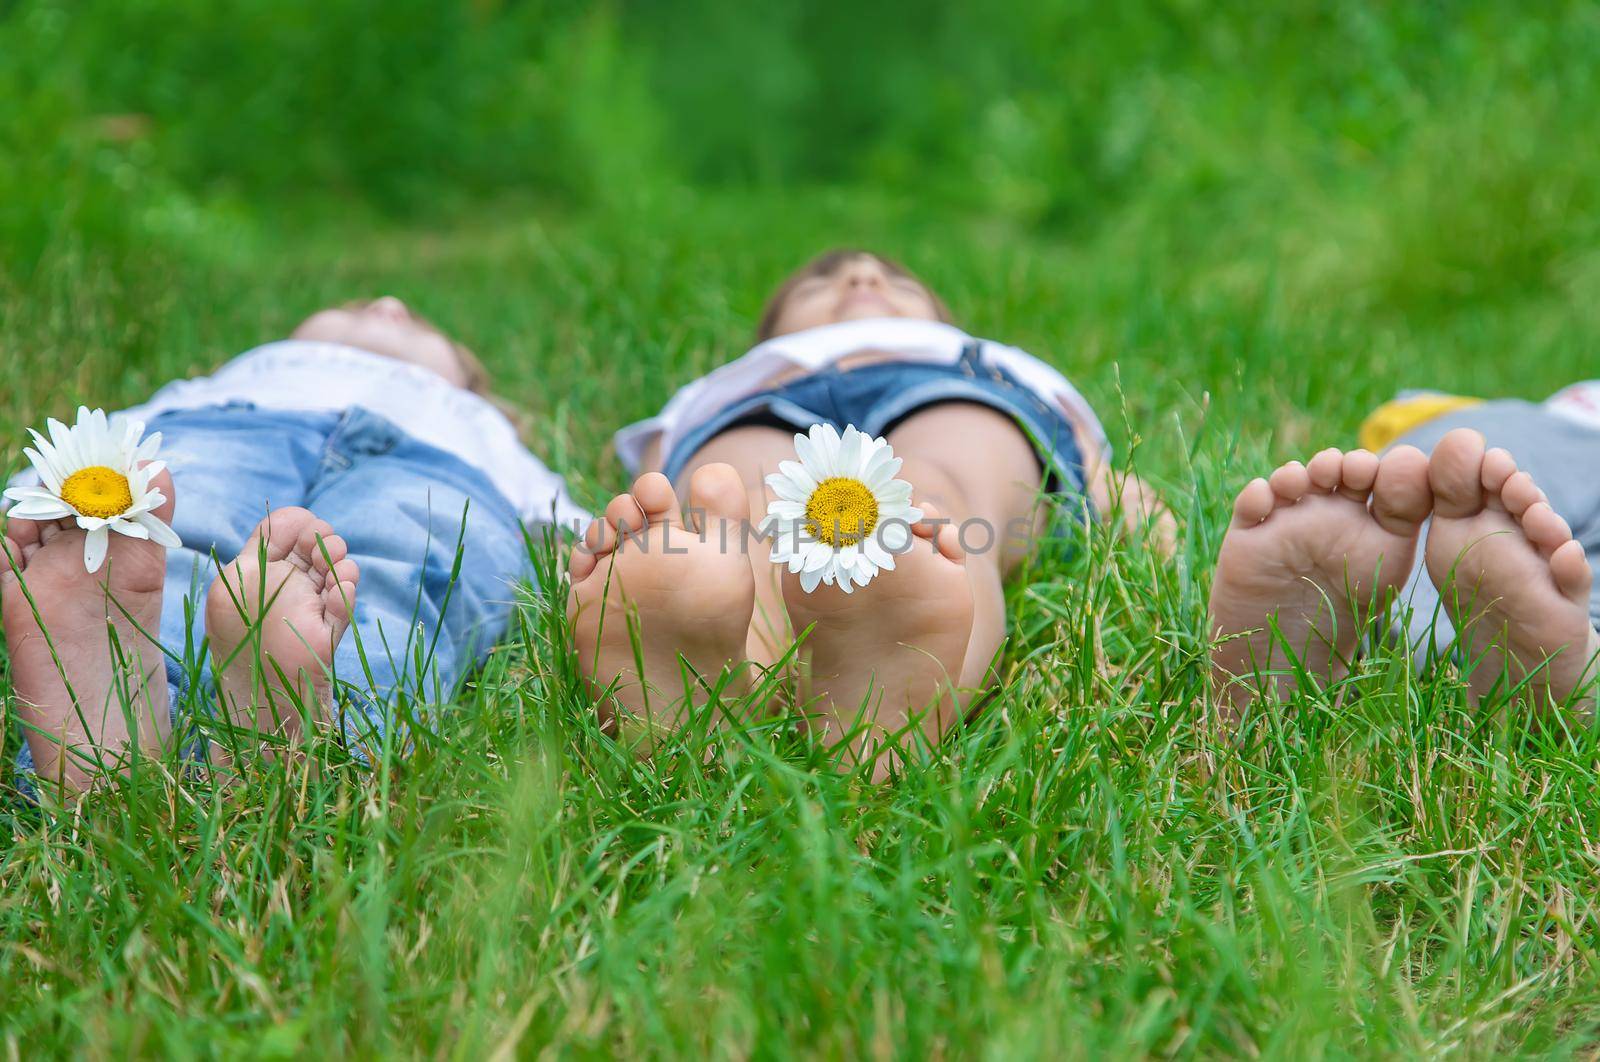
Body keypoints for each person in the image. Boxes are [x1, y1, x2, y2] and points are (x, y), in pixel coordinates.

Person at [567, 249, 1170, 775]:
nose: (860, 275)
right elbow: (659, 465)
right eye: (816, 285)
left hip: (951, 388)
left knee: (932, 499)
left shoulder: (987, 357)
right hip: (762, 407)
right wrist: (654, 513)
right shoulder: (731, 381)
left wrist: (1129, 501)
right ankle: (717, 655)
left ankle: (877, 675)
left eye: (897, 282)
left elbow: (1095, 463)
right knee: (743, 501)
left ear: (940, 320)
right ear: (771, 335)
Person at [2, 297, 587, 795]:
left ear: (471, 386)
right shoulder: (226, 381)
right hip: (235, 426)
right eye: (353, 307)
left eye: (421, 326)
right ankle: (135, 722)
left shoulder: (484, 426)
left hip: (436, 461)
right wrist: (50, 490)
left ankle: (134, 745)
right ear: (292, 344)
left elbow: (554, 521)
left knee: (399, 572)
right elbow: (124, 430)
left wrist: (582, 561)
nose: (388, 303)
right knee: (169, 528)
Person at [1208, 384, 1600, 720]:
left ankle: (1368, 643)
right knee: (1489, 522)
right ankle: (1562, 683)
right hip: (1553, 433)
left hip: (1527, 431)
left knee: (1498, 539)